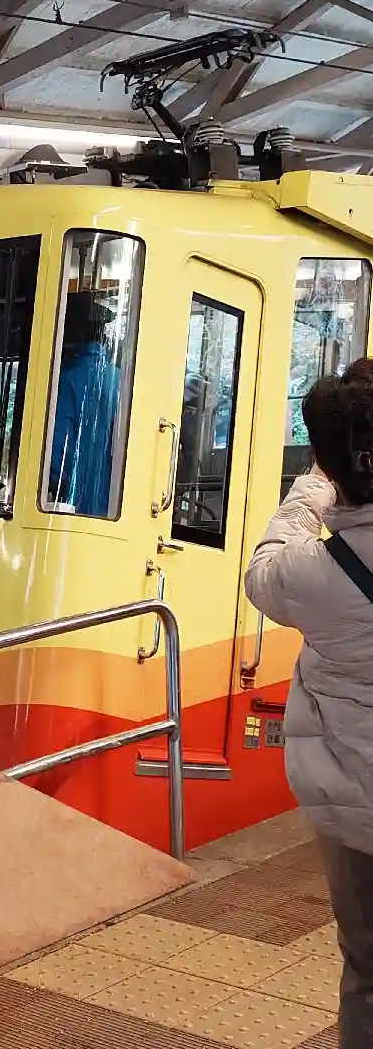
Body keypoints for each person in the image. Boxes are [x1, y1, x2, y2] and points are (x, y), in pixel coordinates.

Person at [244, 357, 373, 1049]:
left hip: (355, 807)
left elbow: (262, 569)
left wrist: (316, 485)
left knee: (366, 968)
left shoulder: (308, 573)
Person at [48, 292, 120, 516]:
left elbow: (58, 453)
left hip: (75, 508)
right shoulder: (124, 381)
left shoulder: (65, 380)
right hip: (116, 509)